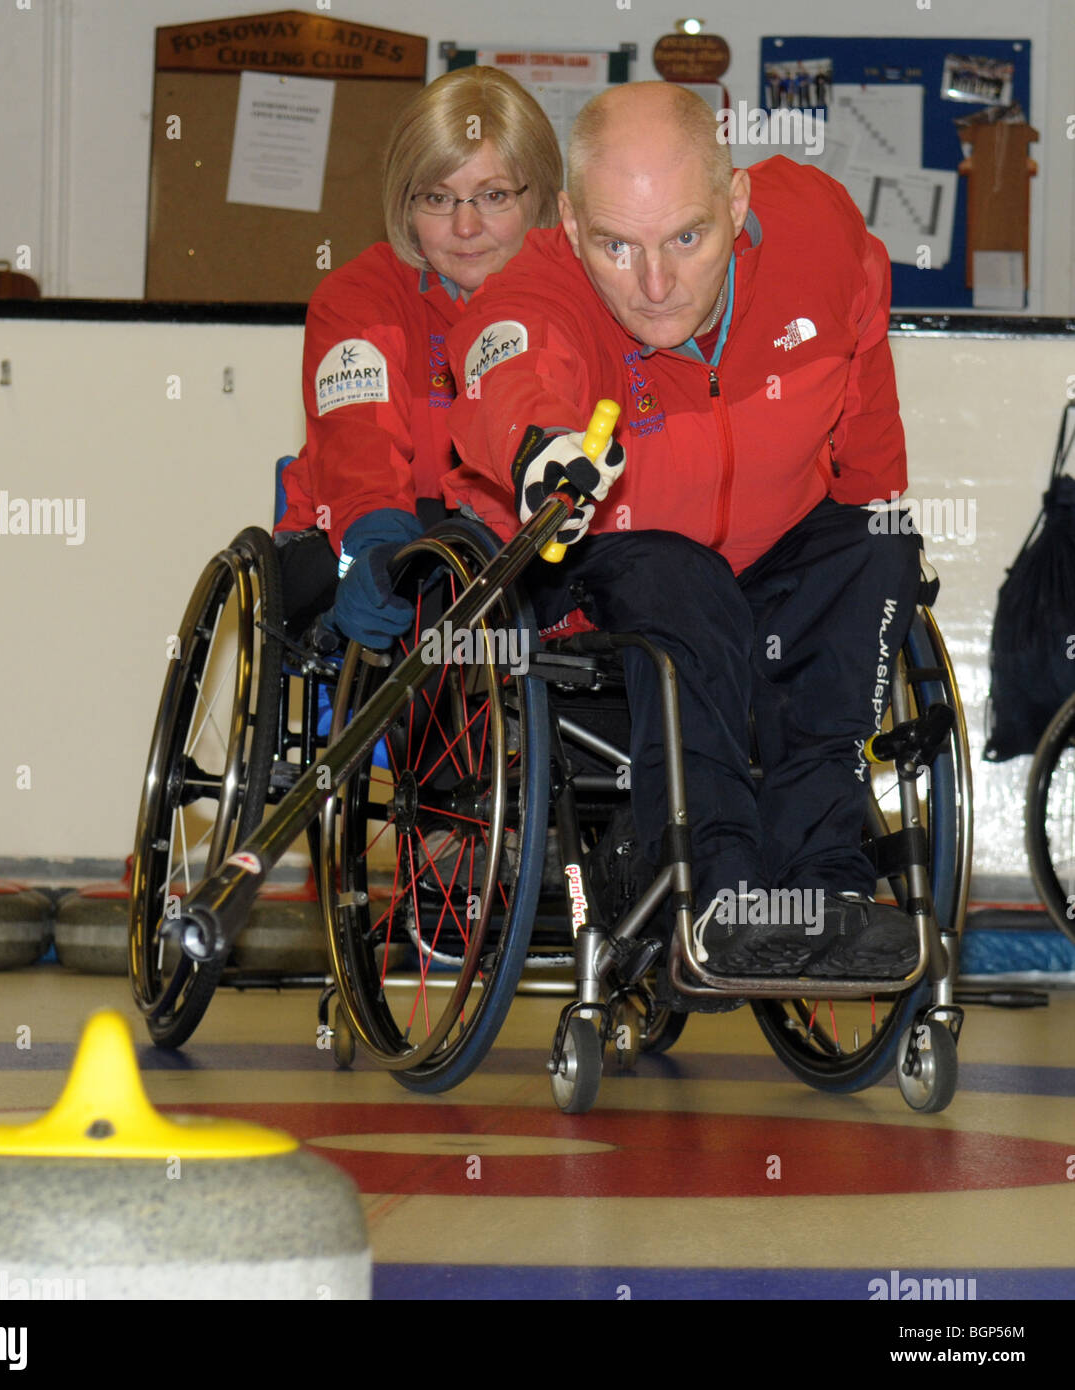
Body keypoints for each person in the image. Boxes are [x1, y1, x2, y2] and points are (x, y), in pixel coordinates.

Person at [444, 82, 924, 982]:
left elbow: (864, 394)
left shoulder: (814, 234)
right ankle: (719, 904)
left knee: (878, 543)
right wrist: (537, 444)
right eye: (614, 245)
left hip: (777, 547)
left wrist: (876, 527)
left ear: (735, 202)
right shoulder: (542, 285)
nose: (654, 285)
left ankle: (827, 890)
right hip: (619, 559)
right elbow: (501, 355)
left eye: (687, 238)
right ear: (569, 219)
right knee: (686, 586)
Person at [273, 66, 562, 646]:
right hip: (356, 537)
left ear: (544, 198)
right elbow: (361, 445)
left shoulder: (574, 299)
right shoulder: (359, 299)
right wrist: (376, 540)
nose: (465, 226)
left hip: (510, 545)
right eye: (437, 198)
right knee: (439, 553)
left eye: (494, 195)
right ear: (406, 206)